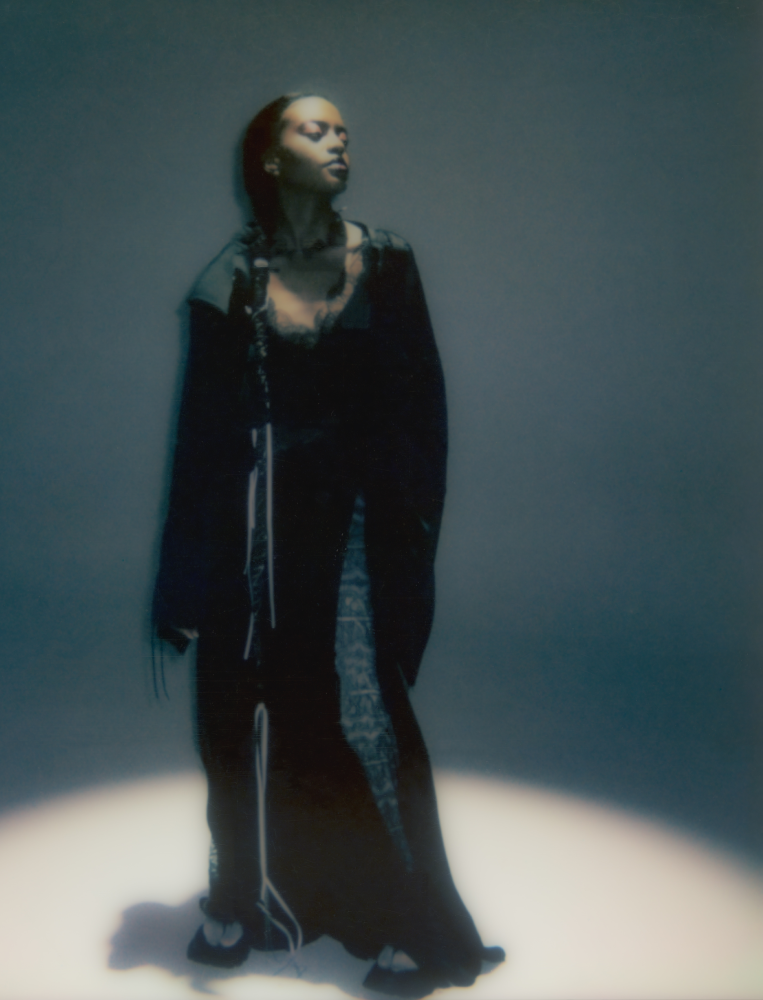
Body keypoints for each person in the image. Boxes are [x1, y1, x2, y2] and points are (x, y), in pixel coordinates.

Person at [153, 94, 504, 998]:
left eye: (343, 129)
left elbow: (422, 410)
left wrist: (406, 529)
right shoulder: (230, 277)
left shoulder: (384, 261)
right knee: (231, 712)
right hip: (251, 529)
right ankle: (239, 901)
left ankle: (412, 918)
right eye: (315, 129)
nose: (339, 139)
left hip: (348, 528)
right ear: (270, 159)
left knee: (360, 707)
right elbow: (201, 437)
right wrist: (182, 578)